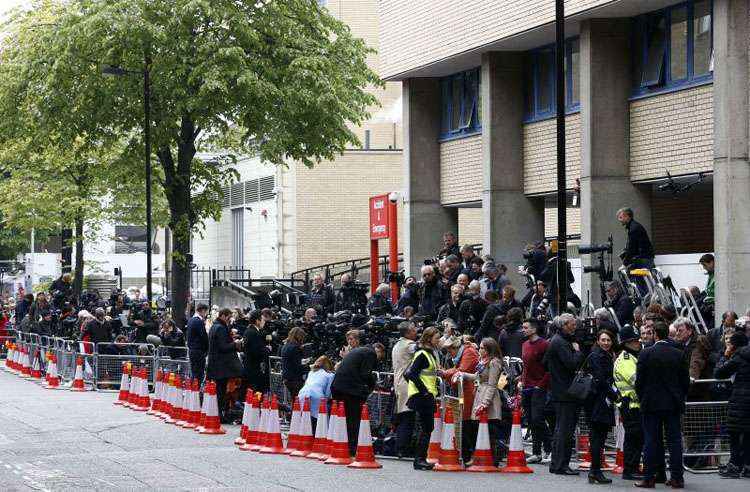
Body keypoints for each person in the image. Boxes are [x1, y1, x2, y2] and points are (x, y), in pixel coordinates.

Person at [635, 321, 690, 489]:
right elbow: (685, 382)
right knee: (674, 441)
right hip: (672, 404)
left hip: (651, 403)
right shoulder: (678, 354)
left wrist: (643, 397)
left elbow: (639, 382)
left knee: (651, 441)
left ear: (655, 334)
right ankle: (677, 478)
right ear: (667, 334)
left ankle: (649, 477)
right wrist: (679, 396)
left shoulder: (645, 354)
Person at [544, 313, 584, 476]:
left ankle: (557, 464)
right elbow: (572, 363)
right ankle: (561, 464)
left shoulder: (556, 340)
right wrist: (578, 351)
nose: (575, 327)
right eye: (572, 324)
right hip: (565, 392)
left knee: (561, 429)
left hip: (560, 390)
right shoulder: (561, 343)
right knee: (565, 430)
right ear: (564, 325)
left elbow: (545, 363)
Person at [331, 342, 386, 456]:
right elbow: (365, 374)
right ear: (379, 351)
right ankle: (352, 448)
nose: (378, 360)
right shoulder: (370, 353)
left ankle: (341, 444)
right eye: (380, 357)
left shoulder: (360, 350)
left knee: (344, 419)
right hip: (350, 389)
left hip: (338, 386)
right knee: (354, 420)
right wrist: (372, 385)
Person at [460, 337, 504, 467]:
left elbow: (492, 384)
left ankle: (492, 457)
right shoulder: (482, 361)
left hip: (488, 397)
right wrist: (463, 374)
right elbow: (477, 377)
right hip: (479, 393)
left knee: (489, 429)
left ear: (489, 349)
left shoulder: (494, 362)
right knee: (478, 428)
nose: (480, 350)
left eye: (482, 348)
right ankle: (480, 456)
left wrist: (485, 403)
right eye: (480, 347)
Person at [404, 326, 443, 470]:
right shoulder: (422, 354)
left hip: (426, 395)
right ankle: (419, 459)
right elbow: (409, 374)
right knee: (426, 427)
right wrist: (424, 391)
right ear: (429, 339)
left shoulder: (429, 353)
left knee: (427, 427)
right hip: (423, 396)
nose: (438, 340)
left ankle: (420, 459)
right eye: (436, 338)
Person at [714, 331, 750, 478]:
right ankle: (747, 466)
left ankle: (734, 466)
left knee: (734, 435)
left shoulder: (738, 357)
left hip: (739, 402)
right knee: (748, 435)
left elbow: (719, 373)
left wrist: (725, 355)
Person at [584, 330, 618, 484]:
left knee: (598, 437)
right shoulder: (598, 356)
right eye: (603, 340)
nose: (606, 343)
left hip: (598, 400)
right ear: (597, 341)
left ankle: (594, 470)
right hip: (599, 401)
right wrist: (613, 394)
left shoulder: (603, 355)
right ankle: (595, 471)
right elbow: (601, 379)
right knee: (598, 437)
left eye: (608, 340)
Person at [613, 325, 644, 481]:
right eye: (634, 340)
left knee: (637, 438)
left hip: (634, 405)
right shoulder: (625, 359)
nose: (638, 343)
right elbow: (636, 380)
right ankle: (630, 469)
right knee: (633, 438)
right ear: (626, 343)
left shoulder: (632, 357)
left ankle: (633, 467)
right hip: (630, 405)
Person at [442, 335, 479, 464]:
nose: (448, 354)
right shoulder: (464, 353)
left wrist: (445, 373)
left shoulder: (468, 353)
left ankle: (470, 454)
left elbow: (461, 371)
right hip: (465, 392)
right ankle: (468, 454)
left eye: (449, 350)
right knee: (465, 423)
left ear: (455, 347)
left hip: (469, 392)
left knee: (467, 424)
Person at [520, 318, 552, 464]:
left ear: (533, 329)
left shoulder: (544, 345)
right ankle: (537, 452)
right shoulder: (525, 345)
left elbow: (549, 368)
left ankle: (549, 447)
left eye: (526, 328)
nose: (523, 330)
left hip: (539, 387)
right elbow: (526, 366)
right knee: (531, 420)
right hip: (527, 386)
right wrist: (521, 380)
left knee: (537, 419)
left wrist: (541, 385)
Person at [206, 308, 243, 424]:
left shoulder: (214, 326)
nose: (229, 319)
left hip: (215, 364)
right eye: (228, 317)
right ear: (223, 316)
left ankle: (217, 414)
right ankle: (219, 415)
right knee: (221, 392)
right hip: (221, 366)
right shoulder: (221, 328)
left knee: (219, 391)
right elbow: (223, 347)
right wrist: (235, 344)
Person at [392, 321, 418, 457]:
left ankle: (401, 447)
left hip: (399, 384)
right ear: (408, 333)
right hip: (407, 385)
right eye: (414, 329)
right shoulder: (409, 345)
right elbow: (423, 349)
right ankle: (402, 449)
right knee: (407, 417)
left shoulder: (397, 344)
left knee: (403, 416)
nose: (417, 331)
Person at [298, 355, 335, 432]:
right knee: (320, 419)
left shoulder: (311, 372)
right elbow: (328, 394)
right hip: (318, 395)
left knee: (304, 417)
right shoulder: (330, 375)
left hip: (302, 393)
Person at [241, 309, 269, 394]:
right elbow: (256, 351)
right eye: (262, 320)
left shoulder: (249, 331)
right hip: (254, 368)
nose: (264, 322)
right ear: (257, 321)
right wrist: (266, 349)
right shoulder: (254, 333)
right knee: (256, 392)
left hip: (249, 366)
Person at [280, 327, 309, 402]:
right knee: (297, 401)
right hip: (295, 379)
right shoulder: (296, 348)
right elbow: (298, 366)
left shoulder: (285, 346)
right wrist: (308, 368)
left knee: (294, 400)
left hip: (286, 377)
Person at [186, 303, 209, 384]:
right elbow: (204, 337)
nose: (206, 314)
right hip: (198, 351)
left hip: (192, 350)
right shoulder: (199, 321)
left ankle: (192, 392)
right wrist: (207, 349)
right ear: (202, 310)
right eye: (206, 312)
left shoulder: (191, 320)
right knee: (198, 374)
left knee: (194, 373)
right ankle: (196, 392)